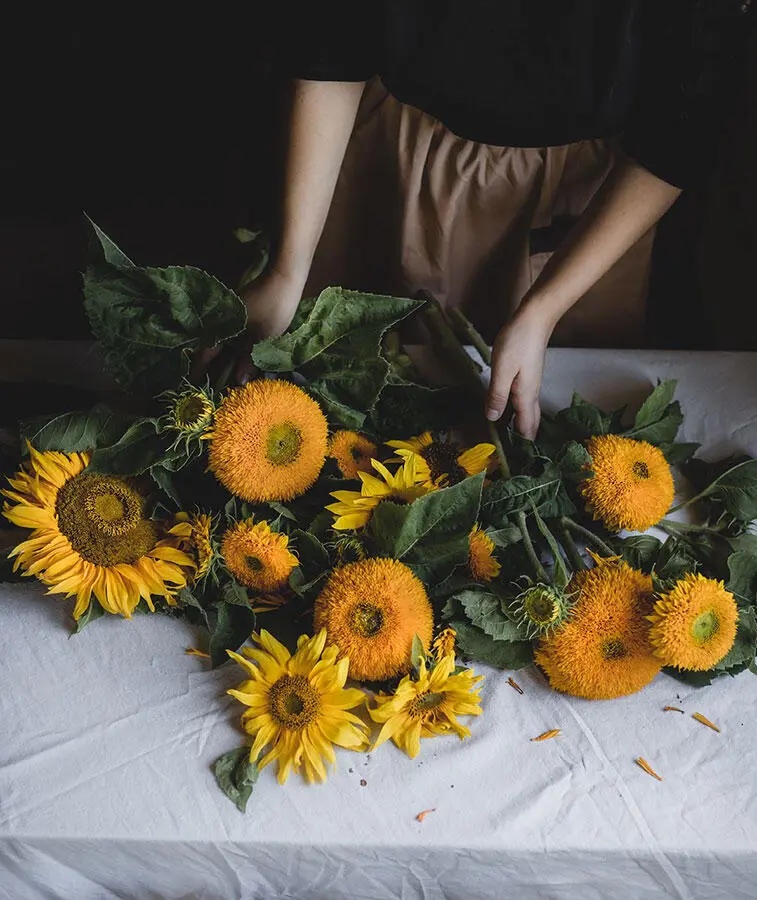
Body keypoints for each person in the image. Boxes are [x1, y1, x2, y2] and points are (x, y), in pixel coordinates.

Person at [203, 1, 754, 438]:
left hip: (585, 197)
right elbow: (330, 45)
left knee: (545, 411)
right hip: (392, 154)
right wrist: (288, 270)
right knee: (352, 383)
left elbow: (679, 133)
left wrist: (543, 310)